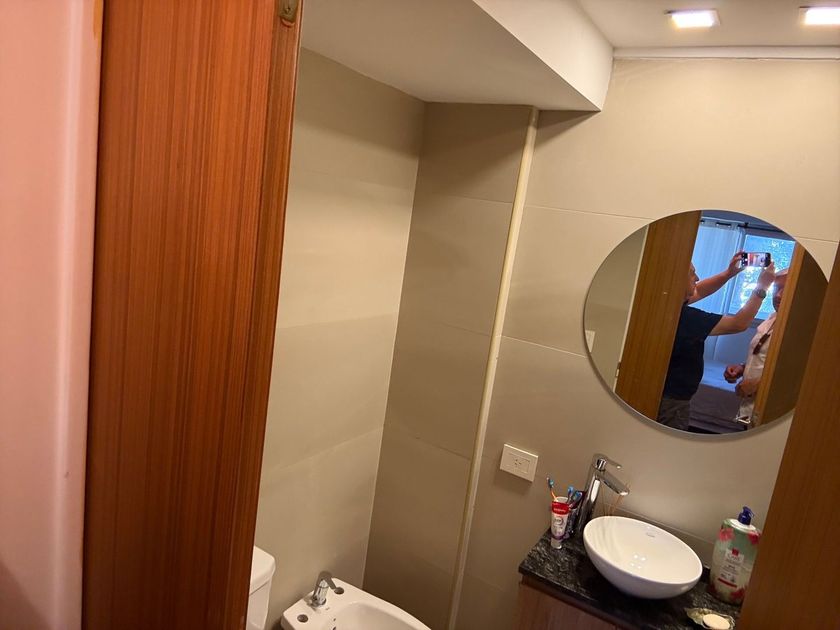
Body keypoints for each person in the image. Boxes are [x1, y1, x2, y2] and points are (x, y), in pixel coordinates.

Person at [656, 253, 776, 430]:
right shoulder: (685, 317)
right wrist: (762, 287)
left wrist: (729, 273)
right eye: (692, 273)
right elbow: (739, 323)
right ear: (677, 281)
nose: (697, 278)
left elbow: (698, 290)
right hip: (672, 401)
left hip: (665, 394)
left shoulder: (664, 305)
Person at [723, 269, 788, 425]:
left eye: (785, 289)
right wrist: (742, 368)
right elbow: (765, 356)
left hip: (771, 414)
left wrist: (758, 385)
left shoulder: (802, 327)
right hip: (748, 410)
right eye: (776, 288)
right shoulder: (773, 317)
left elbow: (796, 373)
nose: (778, 295)